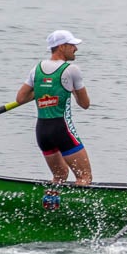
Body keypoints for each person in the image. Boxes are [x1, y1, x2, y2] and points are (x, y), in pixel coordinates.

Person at [15, 29, 92, 186]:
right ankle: (82, 209)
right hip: (61, 130)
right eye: (72, 45)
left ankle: (50, 206)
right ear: (62, 47)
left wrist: (43, 93)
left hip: (42, 132)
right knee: (84, 177)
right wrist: (71, 89)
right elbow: (85, 104)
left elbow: (20, 98)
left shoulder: (36, 69)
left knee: (60, 176)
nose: (75, 49)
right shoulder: (72, 70)